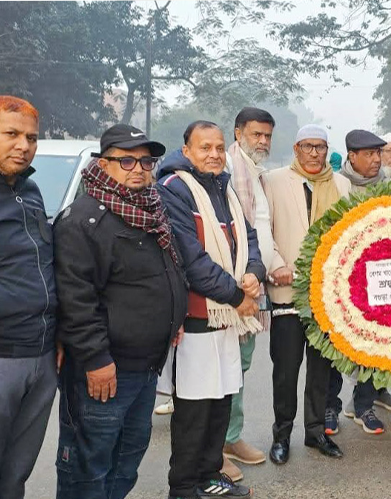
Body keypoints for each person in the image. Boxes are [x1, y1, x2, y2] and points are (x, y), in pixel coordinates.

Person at [54, 125, 186, 499]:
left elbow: (168, 273)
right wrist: (95, 358)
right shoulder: (84, 219)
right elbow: (76, 299)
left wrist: (172, 320)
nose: (138, 168)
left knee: (127, 460)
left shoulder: (150, 210)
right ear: (103, 163)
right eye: (126, 159)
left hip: (145, 367)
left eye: (146, 160)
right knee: (88, 465)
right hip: (105, 371)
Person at [158, 120, 265, 499]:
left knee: (221, 401)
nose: (215, 154)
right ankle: (184, 486)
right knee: (194, 410)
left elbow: (248, 239)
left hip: (228, 320)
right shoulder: (174, 189)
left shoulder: (224, 188)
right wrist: (240, 298)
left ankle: (208, 475)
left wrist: (253, 273)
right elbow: (191, 261)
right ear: (186, 151)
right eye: (205, 147)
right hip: (198, 317)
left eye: (219, 147)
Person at [0, 95, 59, 499]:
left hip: (41, 355)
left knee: (16, 473)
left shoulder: (29, 190)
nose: (23, 145)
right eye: (10, 133)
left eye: (31, 137)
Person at [263, 124, 351, 464]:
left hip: (328, 296)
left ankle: (315, 433)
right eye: (308, 147)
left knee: (321, 371)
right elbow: (262, 229)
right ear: (297, 148)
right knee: (285, 370)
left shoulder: (341, 185)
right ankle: (281, 434)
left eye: (321, 147)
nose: (315, 153)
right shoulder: (274, 181)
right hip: (287, 290)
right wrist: (277, 264)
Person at [222, 107, 276, 480]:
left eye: (267, 136)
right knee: (220, 372)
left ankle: (230, 437)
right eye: (256, 134)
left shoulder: (257, 174)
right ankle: (215, 445)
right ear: (238, 133)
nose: (262, 142)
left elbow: (259, 231)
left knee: (239, 366)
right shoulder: (227, 170)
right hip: (229, 292)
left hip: (256, 284)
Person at [324, 129, 388, 436]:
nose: (377, 160)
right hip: (342, 280)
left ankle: (364, 406)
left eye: (379, 154)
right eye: (370, 154)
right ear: (352, 157)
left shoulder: (389, 186)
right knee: (336, 346)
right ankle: (330, 407)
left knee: (373, 342)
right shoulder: (336, 185)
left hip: (377, 280)